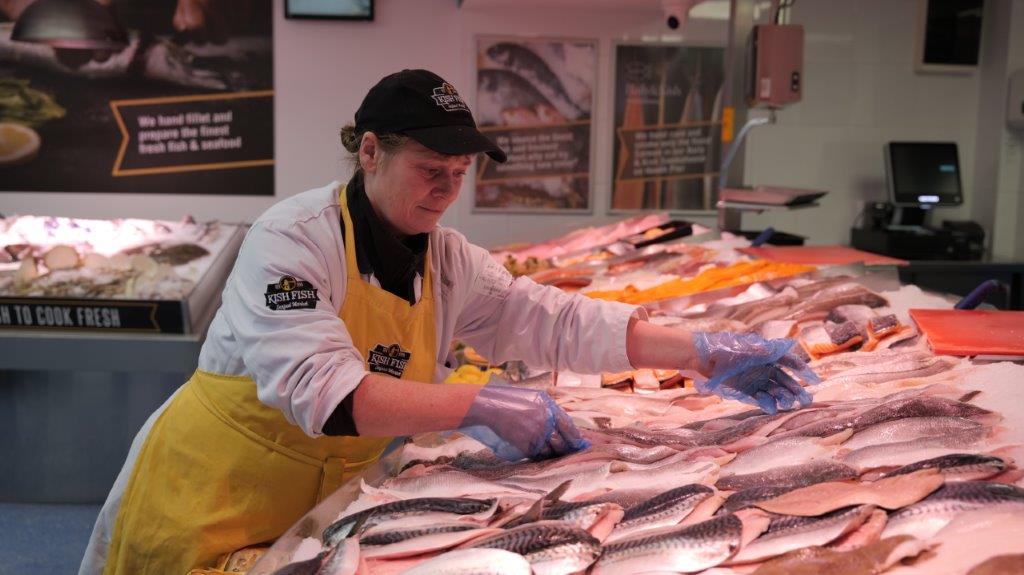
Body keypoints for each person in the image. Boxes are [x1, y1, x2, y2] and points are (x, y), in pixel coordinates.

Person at [79, 69, 818, 574]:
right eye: (432, 168)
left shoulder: (450, 259)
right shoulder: (291, 239)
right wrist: (480, 401)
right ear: (369, 152)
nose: (446, 190)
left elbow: (552, 319)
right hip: (209, 498)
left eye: (460, 175)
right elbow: (327, 392)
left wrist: (699, 350)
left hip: (322, 513)